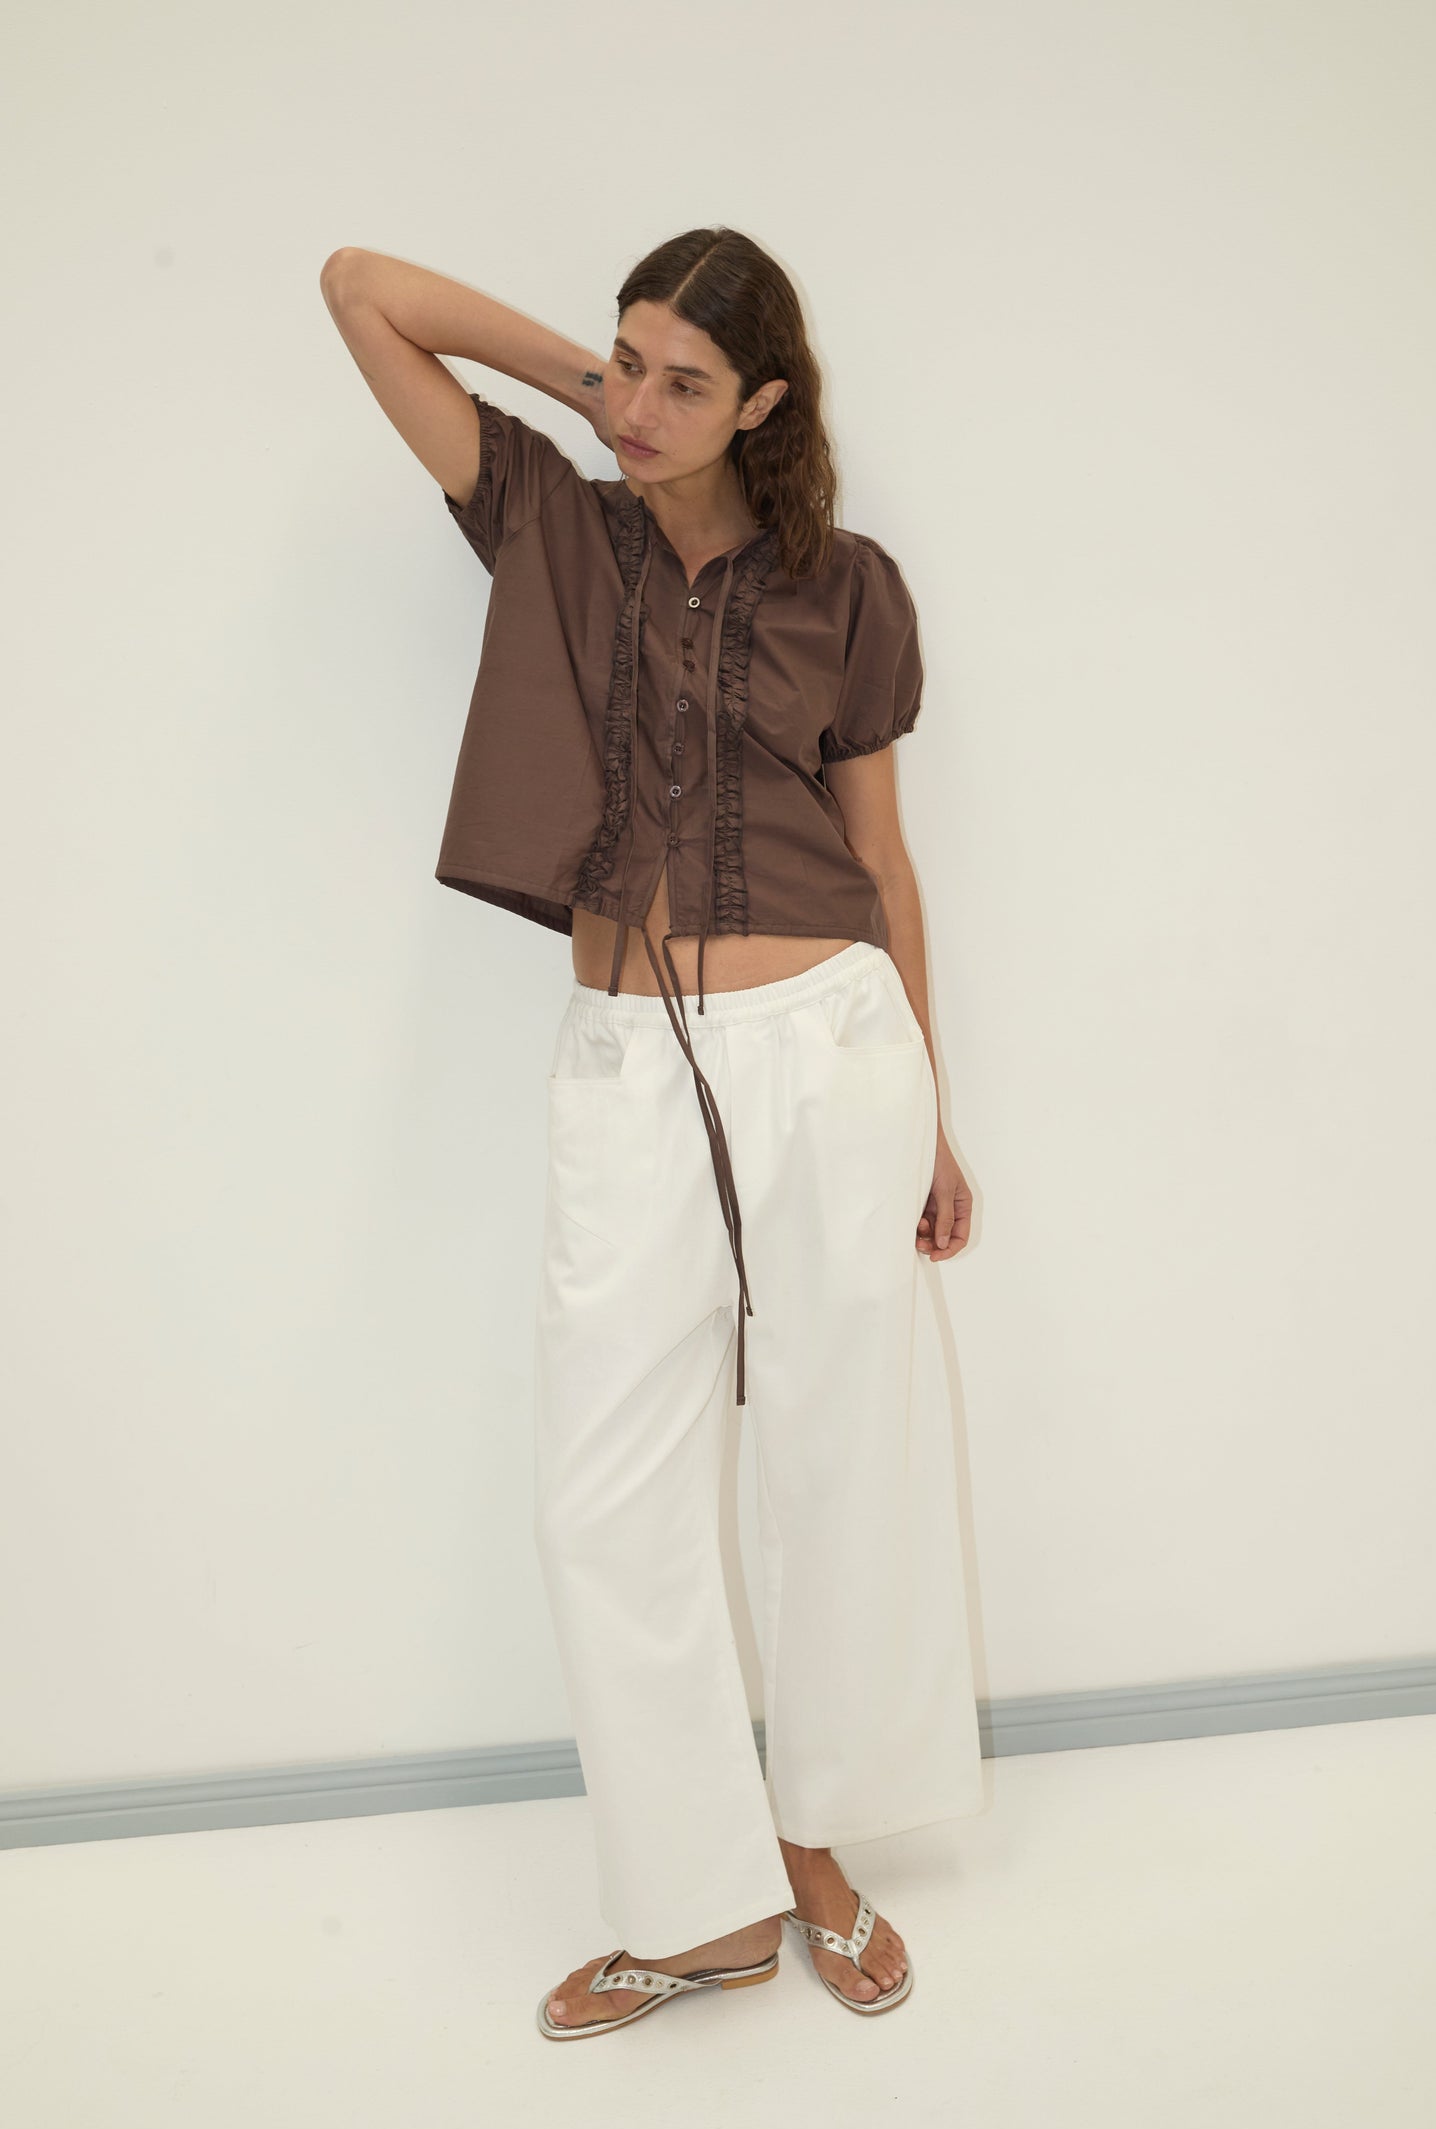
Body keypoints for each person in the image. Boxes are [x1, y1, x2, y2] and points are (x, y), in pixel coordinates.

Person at [320, 227, 984, 2037]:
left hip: (831, 1047)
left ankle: (821, 1842)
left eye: (690, 382)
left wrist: (933, 1110)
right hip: (625, 1055)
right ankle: (695, 1906)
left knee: (842, 1462)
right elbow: (358, 287)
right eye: (630, 364)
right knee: (600, 1494)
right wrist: (592, 389)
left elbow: (888, 865)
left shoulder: (851, 588)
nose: (641, 406)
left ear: (768, 403)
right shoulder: (551, 516)